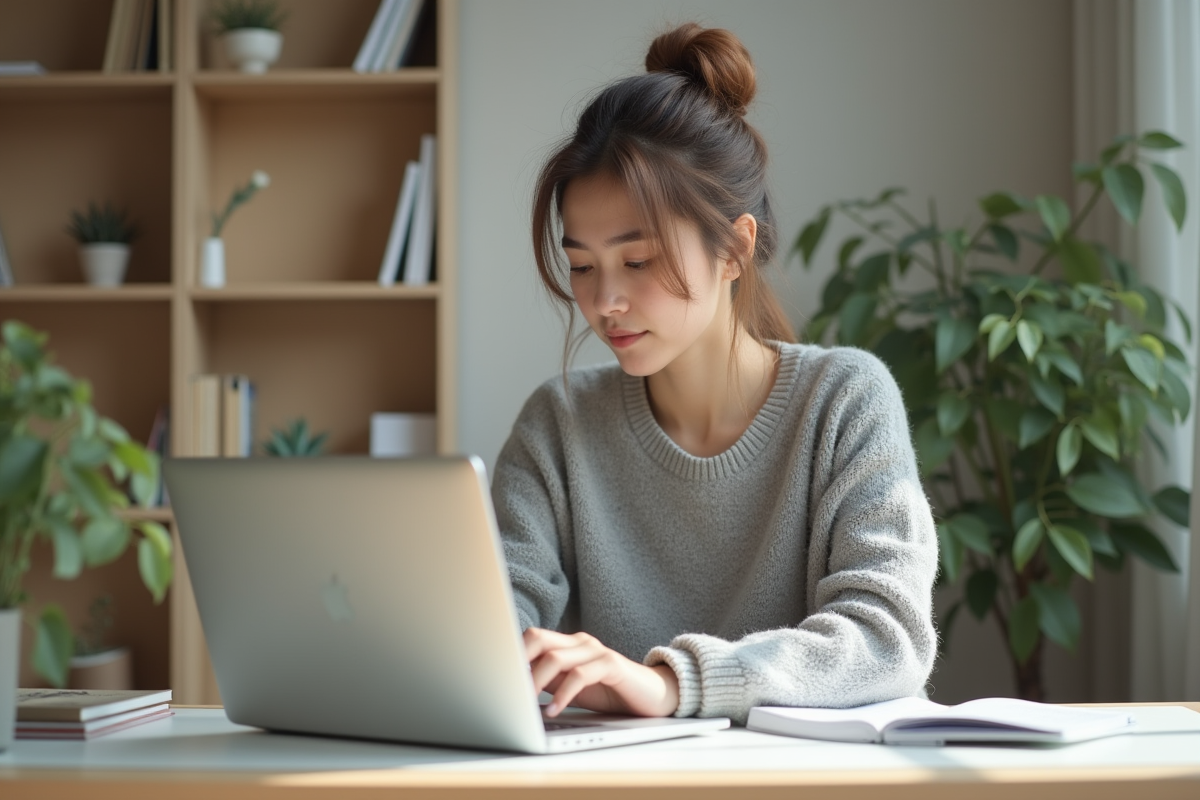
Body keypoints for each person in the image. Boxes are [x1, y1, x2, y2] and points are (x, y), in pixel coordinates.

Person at [492, 22, 938, 726]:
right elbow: (491, 628)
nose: (603, 301)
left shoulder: (845, 403)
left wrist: (673, 684)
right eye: (582, 265)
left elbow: (888, 639)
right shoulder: (558, 427)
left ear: (734, 248)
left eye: (636, 262)